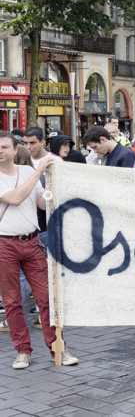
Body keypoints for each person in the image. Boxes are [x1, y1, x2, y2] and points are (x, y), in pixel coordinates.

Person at [0, 133, 78, 369]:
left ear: (15, 150)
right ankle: (23, 350)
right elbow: (14, 198)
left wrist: (56, 186)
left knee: (46, 299)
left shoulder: (25, 172)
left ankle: (58, 349)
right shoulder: (24, 174)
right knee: (13, 301)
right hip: (5, 245)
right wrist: (38, 173)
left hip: (32, 242)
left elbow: (41, 203)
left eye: (4, 147)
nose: (0, 151)